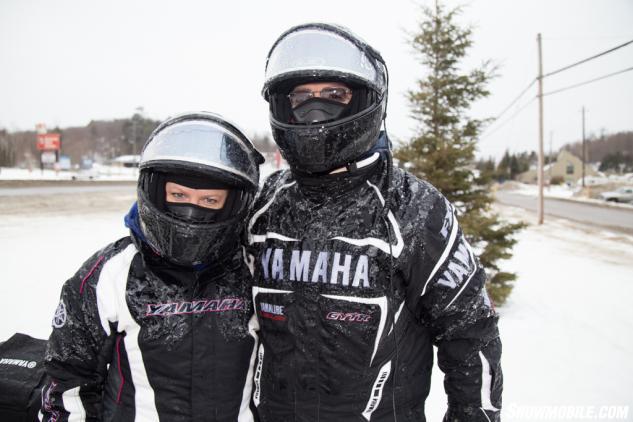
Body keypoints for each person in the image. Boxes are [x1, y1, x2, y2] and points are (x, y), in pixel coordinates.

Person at [246, 23, 503, 421]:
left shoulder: (415, 208)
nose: (316, 110)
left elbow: (470, 332)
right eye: (302, 98)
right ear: (283, 106)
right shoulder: (265, 204)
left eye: (334, 95)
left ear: (366, 102)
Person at [41, 112, 264, 421]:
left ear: (232, 204)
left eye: (210, 200)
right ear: (157, 190)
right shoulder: (110, 274)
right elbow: (69, 381)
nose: (191, 210)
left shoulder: (253, 270)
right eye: (179, 195)